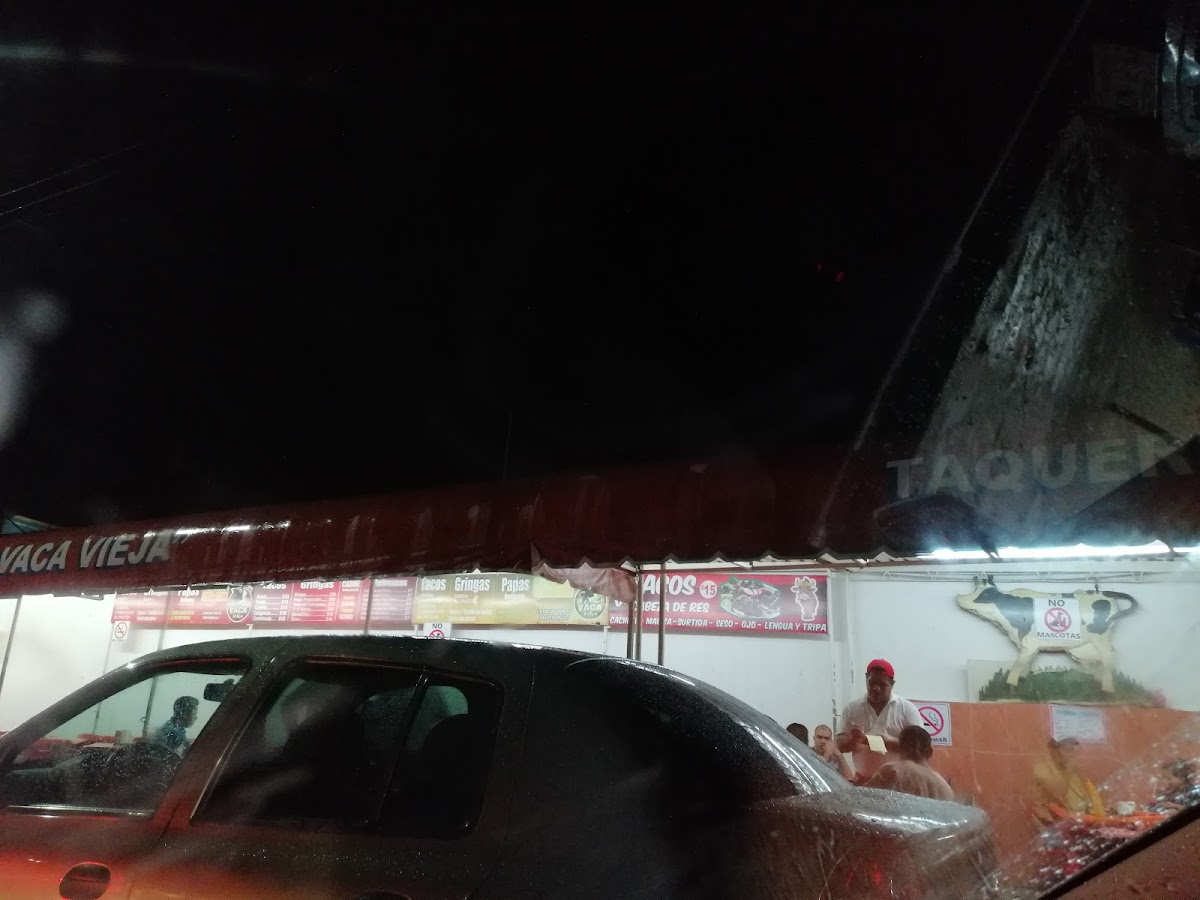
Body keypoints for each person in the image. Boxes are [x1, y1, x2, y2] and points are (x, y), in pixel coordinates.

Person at [836, 659, 923, 781]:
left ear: (892, 684)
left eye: (882, 685)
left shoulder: (906, 709)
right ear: (866, 678)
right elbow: (839, 745)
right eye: (872, 683)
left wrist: (880, 742)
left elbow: (920, 748)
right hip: (863, 781)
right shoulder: (852, 708)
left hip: (899, 782)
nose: (876, 689)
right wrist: (852, 739)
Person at [866, 725, 954, 801]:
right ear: (930, 752)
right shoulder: (944, 787)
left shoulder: (891, 771)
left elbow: (865, 799)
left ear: (899, 748)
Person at [1031, 737, 1105, 823]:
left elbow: (1085, 796)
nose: (1072, 755)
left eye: (1074, 751)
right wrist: (1069, 771)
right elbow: (1057, 795)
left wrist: (1096, 814)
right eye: (1068, 750)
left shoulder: (1069, 768)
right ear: (1053, 750)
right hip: (1057, 822)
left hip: (1081, 819)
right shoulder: (1041, 769)